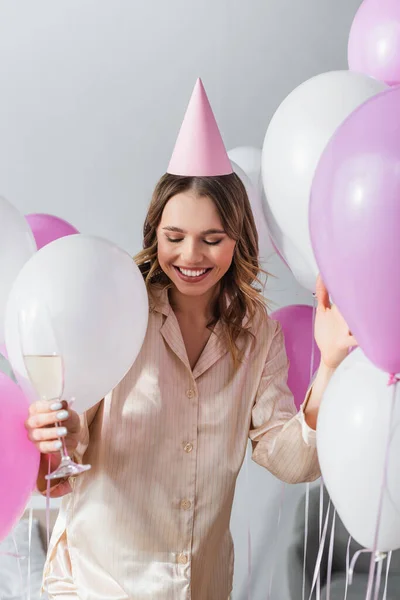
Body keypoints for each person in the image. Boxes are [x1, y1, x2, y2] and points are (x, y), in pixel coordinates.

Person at [25, 79, 356, 600]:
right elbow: (64, 462)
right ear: (154, 233)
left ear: (237, 239)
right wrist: (58, 433)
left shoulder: (256, 335)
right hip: (95, 587)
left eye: (212, 239)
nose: (191, 257)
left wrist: (332, 363)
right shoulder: (116, 306)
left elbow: (291, 461)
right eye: (174, 238)